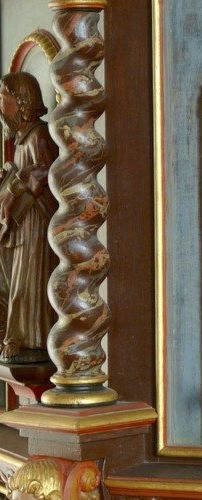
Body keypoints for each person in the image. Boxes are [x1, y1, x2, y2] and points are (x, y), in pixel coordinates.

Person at [0, 72, 57, 362]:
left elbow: (47, 172)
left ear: (21, 100)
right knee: (13, 279)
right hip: (21, 222)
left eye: (3, 96)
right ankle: (16, 334)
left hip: (35, 222)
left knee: (28, 279)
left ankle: (28, 339)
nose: (1, 104)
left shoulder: (39, 135)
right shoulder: (21, 139)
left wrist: (16, 185)